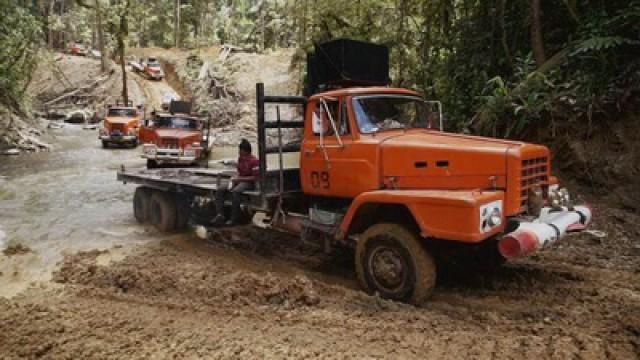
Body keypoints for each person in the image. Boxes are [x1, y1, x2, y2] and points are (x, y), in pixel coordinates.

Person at [213, 139, 259, 225]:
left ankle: (234, 217)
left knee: (236, 191)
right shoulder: (240, 159)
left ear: (245, 151)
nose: (239, 152)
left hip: (249, 182)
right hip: (239, 180)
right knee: (220, 189)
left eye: (240, 150)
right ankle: (220, 214)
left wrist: (239, 179)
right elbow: (239, 172)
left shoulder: (254, 161)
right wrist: (234, 179)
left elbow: (255, 177)